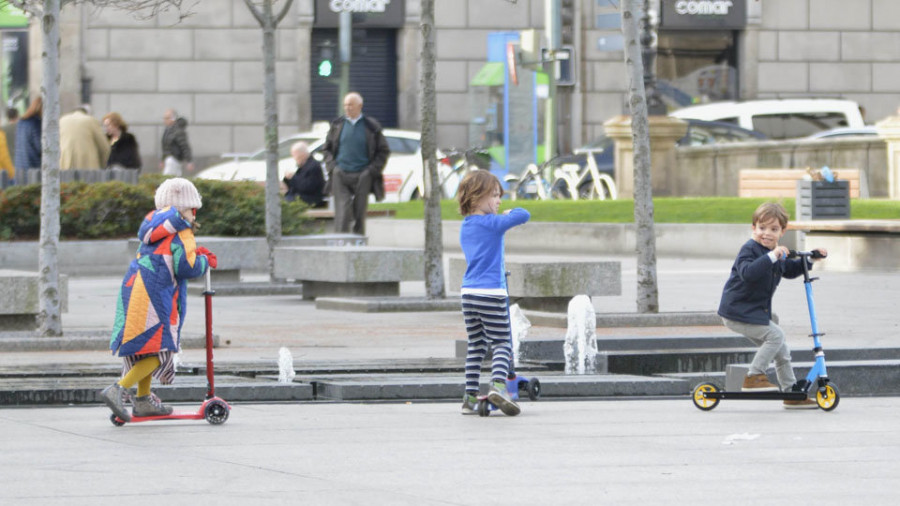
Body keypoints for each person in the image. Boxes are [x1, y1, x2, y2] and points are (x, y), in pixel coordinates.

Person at [100, 178, 217, 421]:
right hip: (158, 296)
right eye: (193, 209)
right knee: (159, 351)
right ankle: (119, 389)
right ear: (184, 208)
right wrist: (205, 260)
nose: (194, 214)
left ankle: (143, 400)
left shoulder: (152, 227)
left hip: (136, 290)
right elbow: (187, 267)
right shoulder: (181, 230)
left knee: (147, 347)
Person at [717, 201, 827, 409]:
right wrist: (771, 256)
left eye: (774, 229)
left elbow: (791, 270)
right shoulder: (749, 249)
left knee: (782, 351)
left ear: (782, 232)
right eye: (762, 228)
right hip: (736, 312)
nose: (767, 234)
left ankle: (792, 395)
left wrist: (811, 259)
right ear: (753, 228)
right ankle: (753, 376)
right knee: (775, 336)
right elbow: (748, 273)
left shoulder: (776, 253)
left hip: (754, 313)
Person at [456, 170, 530, 416]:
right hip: (491, 293)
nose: (499, 201)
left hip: (468, 294)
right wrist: (510, 213)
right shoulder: (492, 223)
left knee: (476, 345)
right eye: (495, 195)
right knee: (502, 343)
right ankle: (498, 385)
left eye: (500, 196)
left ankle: (469, 398)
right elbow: (524, 215)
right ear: (477, 198)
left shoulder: (466, 226)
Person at [322, 92, 390, 235]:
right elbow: (326, 149)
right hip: (340, 173)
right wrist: (333, 167)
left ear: (360, 106)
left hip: (363, 174)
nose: (347, 108)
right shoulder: (337, 125)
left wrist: (371, 170)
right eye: (345, 105)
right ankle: (340, 239)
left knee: (360, 210)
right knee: (343, 207)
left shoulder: (371, 126)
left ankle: (358, 241)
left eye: (351, 105)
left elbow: (383, 151)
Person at [59, 105, 110, 170]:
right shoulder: (91, 120)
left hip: (64, 160)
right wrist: (102, 165)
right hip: (87, 162)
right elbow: (104, 147)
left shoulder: (62, 120)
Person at [282, 141, 325, 207]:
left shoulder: (313, 166)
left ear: (302, 155)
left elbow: (307, 187)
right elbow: (294, 186)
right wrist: (287, 179)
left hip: (311, 199)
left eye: (295, 155)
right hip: (299, 197)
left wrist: (292, 178)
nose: (294, 158)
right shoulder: (302, 166)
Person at [160, 108, 193, 176]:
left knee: (168, 178)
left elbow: (184, 146)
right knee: (174, 178)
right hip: (169, 158)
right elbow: (165, 146)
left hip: (174, 158)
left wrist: (189, 161)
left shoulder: (178, 131)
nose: (165, 120)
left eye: (167, 118)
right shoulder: (168, 130)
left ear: (173, 118)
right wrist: (163, 159)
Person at [14, 96, 41, 172]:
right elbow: (40, 148)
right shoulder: (36, 124)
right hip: (33, 168)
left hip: (20, 167)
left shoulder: (21, 122)